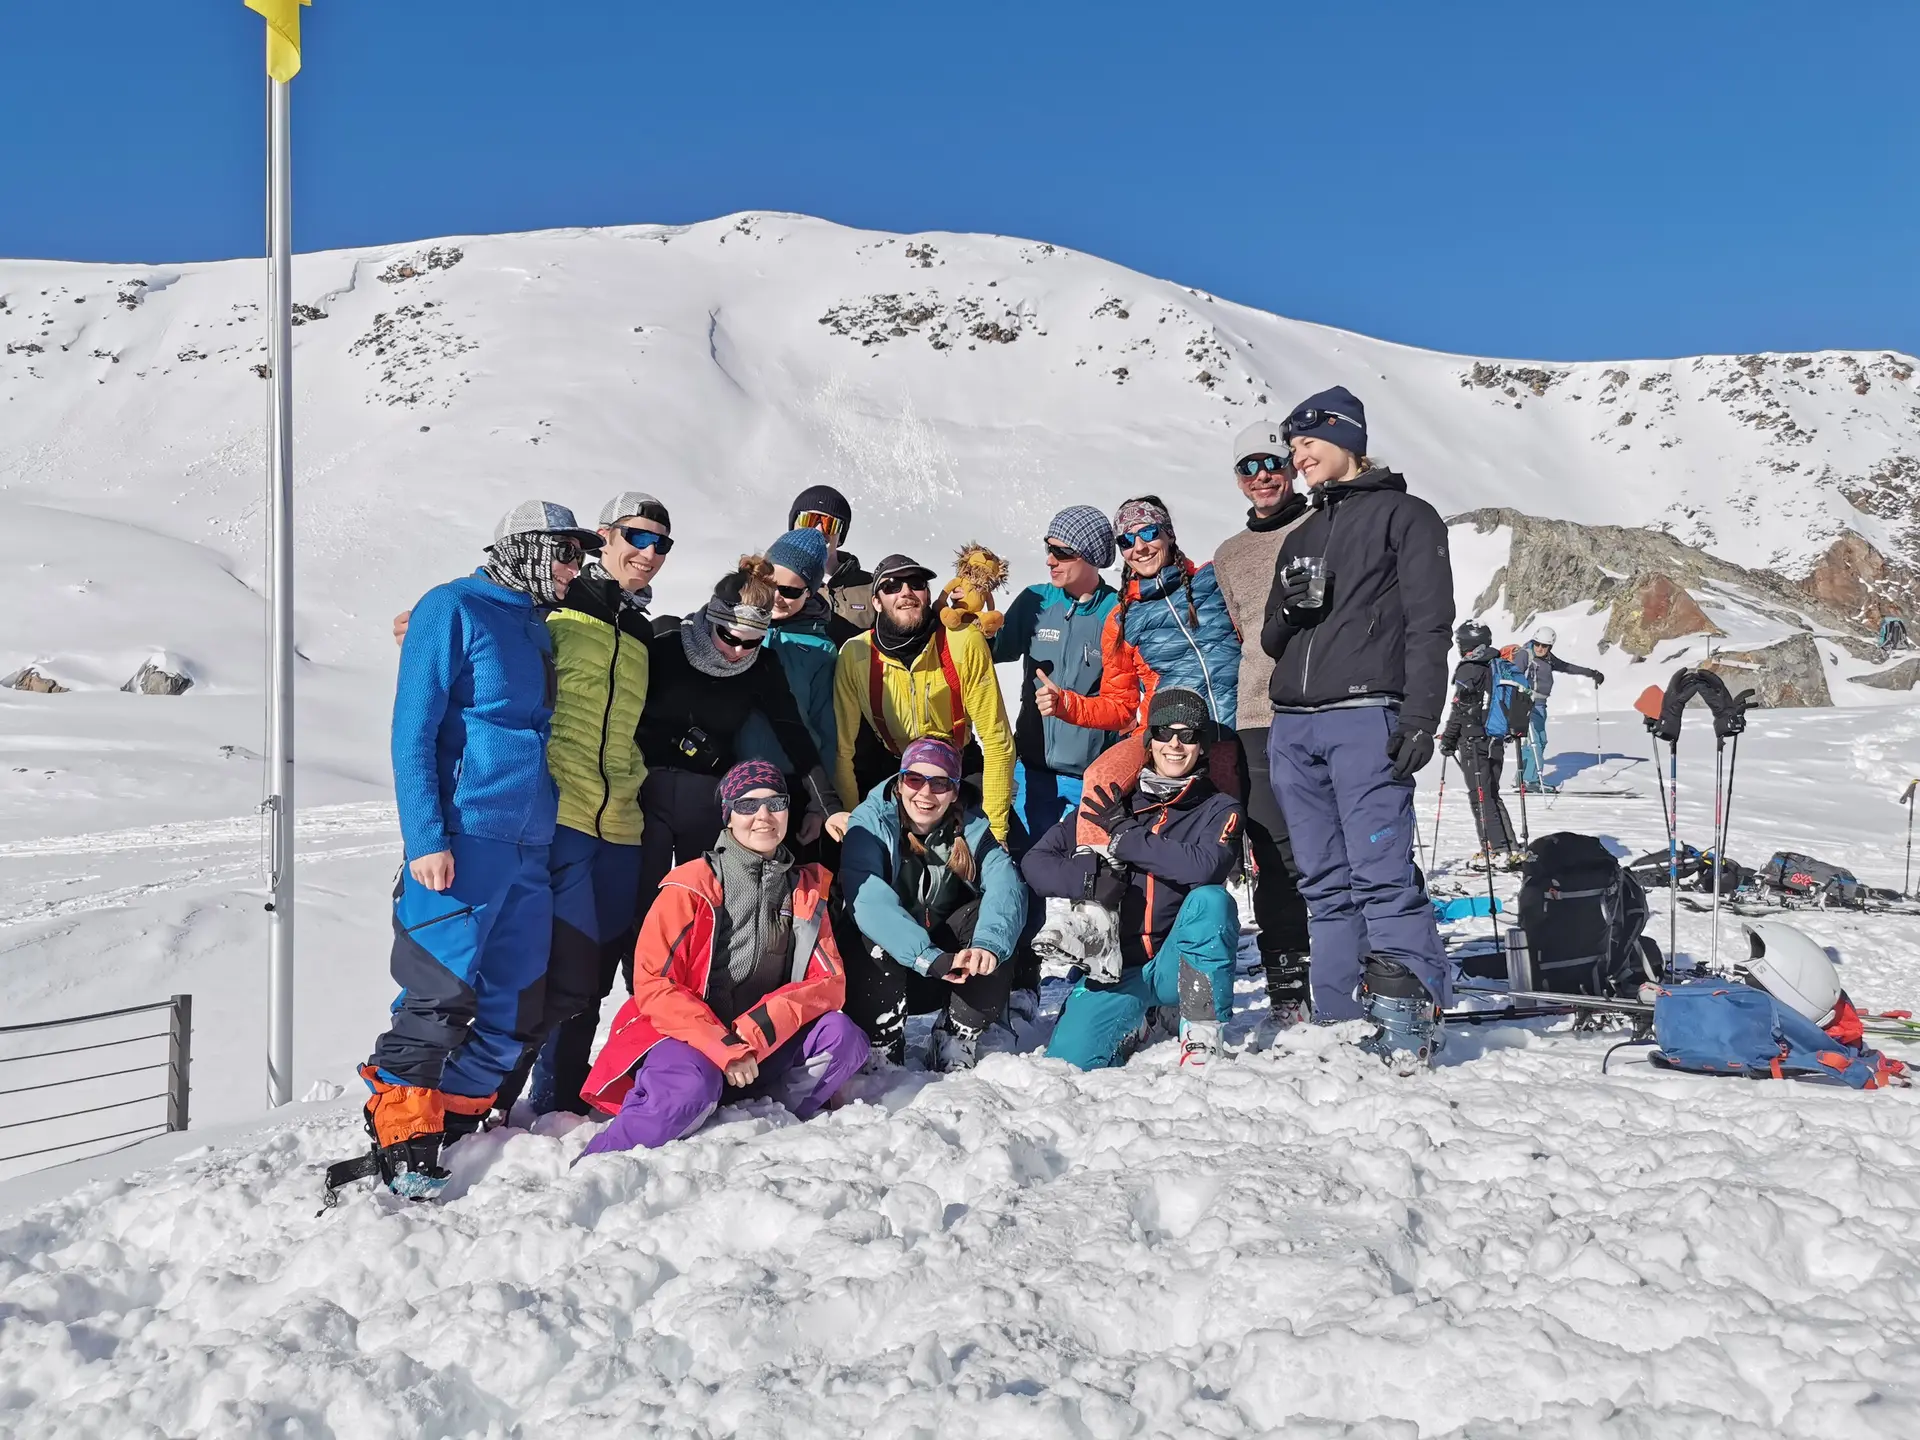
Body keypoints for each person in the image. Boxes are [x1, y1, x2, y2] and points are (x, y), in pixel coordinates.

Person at [355, 500, 599, 1198]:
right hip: (463, 841)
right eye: (563, 554)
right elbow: (414, 730)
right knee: (439, 995)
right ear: (524, 548)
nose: (570, 569)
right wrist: (426, 836)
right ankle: (403, 1139)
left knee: (513, 1005)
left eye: (578, 558)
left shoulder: (536, 624)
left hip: (529, 846)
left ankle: (455, 1131)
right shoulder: (451, 607)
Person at [540, 555, 834, 1113]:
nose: (739, 650)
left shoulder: (759, 666)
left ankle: (692, 1047)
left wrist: (829, 803)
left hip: (705, 802)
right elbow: (609, 681)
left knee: (702, 931)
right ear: (711, 616)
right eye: (730, 635)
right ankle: (580, 1076)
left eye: (753, 641)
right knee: (626, 927)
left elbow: (795, 732)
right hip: (643, 798)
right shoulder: (667, 641)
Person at [1261, 386, 1454, 1072]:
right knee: (1321, 879)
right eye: (1293, 447)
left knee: (1382, 874)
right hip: (1294, 726)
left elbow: (1432, 626)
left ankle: (1407, 1017)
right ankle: (1341, 1015)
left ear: (1347, 439)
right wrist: (1291, 608)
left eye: (1308, 444)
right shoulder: (1303, 534)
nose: (1297, 457)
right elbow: (1271, 640)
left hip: (1366, 716)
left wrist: (1422, 717)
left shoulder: (1409, 517)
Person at [577, 762, 868, 1154]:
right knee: (689, 1087)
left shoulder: (805, 891)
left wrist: (752, 1036)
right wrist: (723, 1046)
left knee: (844, 1038)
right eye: (747, 806)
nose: (763, 816)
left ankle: (766, 1120)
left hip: (759, 1048)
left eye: (774, 803)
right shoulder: (690, 885)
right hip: (685, 1038)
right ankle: (600, 1161)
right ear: (728, 816)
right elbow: (654, 985)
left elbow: (827, 985)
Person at [1021, 688, 1244, 1069]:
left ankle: (1201, 1030)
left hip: (1179, 963)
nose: (1175, 744)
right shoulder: (1112, 802)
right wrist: (1089, 881)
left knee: (1212, 901)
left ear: (1202, 746)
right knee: (1070, 1061)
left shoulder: (1219, 807)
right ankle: (1138, 1020)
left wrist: (1128, 838)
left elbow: (1206, 865)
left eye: (1188, 735)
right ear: (1148, 740)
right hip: (1117, 967)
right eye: (1163, 732)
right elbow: (1035, 862)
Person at [1036, 496, 1240, 840]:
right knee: (1102, 777)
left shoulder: (1213, 581)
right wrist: (1068, 705)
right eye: (1127, 541)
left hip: (1238, 728)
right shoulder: (1123, 618)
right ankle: (1093, 880)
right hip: (1166, 738)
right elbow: (1121, 705)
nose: (1140, 547)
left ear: (1169, 534)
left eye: (1148, 532)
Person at [1210, 420, 1315, 1026]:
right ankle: (1285, 971)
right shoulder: (1229, 555)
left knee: (1333, 842)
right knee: (1272, 852)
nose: (1261, 476)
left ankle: (1359, 960)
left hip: (1320, 704)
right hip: (1255, 714)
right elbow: (1233, 635)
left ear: (1291, 466)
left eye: (1271, 462)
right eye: (1247, 467)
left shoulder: (1323, 526)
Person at [840, 738, 1028, 1070]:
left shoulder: (971, 827)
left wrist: (988, 946)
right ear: (900, 784)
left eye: (940, 783)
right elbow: (869, 900)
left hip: (948, 966)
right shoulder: (869, 824)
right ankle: (882, 1042)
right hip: (892, 971)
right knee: (868, 931)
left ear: (955, 791)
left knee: (993, 925)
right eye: (915, 779)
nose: (925, 793)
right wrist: (927, 957)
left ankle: (957, 1034)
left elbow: (1005, 884)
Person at [830, 553, 1017, 842]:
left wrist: (995, 834)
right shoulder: (856, 654)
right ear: (876, 602)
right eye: (891, 586)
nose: (906, 592)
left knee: (1000, 865)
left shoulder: (963, 642)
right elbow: (843, 750)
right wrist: (854, 820)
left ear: (928, 595)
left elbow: (997, 741)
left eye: (916, 583)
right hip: (894, 768)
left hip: (960, 766)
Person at [991, 505, 1121, 847]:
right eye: (1049, 549)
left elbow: (1126, 697)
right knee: (1021, 871)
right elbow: (995, 651)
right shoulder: (1036, 600)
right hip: (1032, 770)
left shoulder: (1117, 612)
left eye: (1062, 552)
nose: (1050, 560)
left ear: (1090, 555)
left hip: (1092, 776)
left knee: (1091, 881)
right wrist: (978, 624)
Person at [1439, 621, 1519, 867]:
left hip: (1473, 740)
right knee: (1491, 793)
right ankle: (1509, 846)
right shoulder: (1498, 663)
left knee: (1480, 795)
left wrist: (1449, 739)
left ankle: (1495, 850)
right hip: (1495, 737)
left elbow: (1460, 709)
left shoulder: (1470, 669)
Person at [1512, 626, 1604, 791]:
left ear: (1550, 647)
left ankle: (1522, 776)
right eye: (1537, 644)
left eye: (1544, 646)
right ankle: (1531, 781)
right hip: (1527, 703)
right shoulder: (1525, 654)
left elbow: (1566, 667)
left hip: (1540, 704)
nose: (1540, 648)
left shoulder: (1548, 658)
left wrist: (1591, 673)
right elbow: (1513, 676)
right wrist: (1520, 698)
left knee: (1538, 740)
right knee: (1536, 742)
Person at [789, 484, 874, 640]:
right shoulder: (771, 582)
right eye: (809, 519)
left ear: (840, 535)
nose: (819, 530)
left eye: (830, 523)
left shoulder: (872, 587)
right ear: (793, 526)